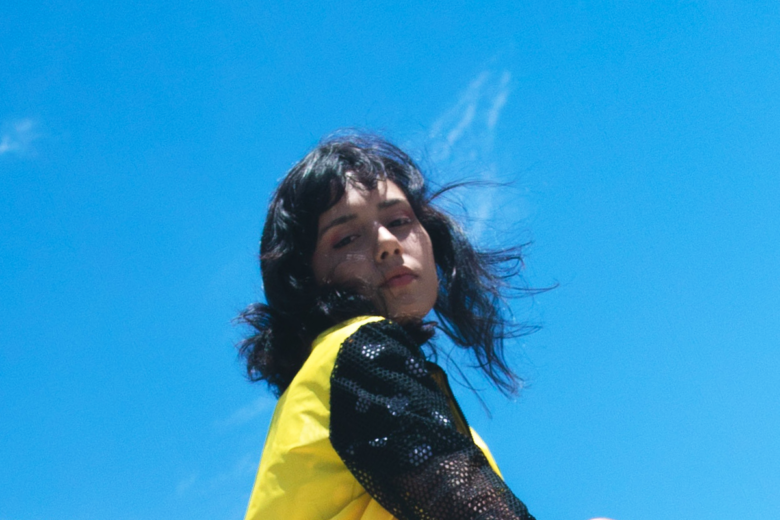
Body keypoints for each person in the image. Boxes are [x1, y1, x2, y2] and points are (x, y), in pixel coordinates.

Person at [239, 133, 536, 520]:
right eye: (346, 239)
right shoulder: (359, 350)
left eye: (399, 220)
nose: (387, 243)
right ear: (305, 278)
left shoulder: (329, 382)